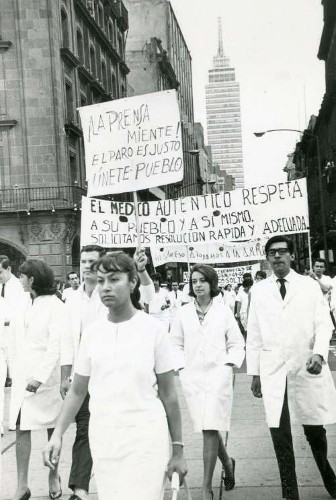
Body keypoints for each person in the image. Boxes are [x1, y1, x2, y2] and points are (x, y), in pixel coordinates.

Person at [43, 251, 187, 500]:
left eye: (114, 279)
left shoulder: (153, 330)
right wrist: (57, 435)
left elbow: (169, 394)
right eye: (100, 281)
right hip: (105, 438)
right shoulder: (92, 333)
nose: (106, 287)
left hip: (147, 437)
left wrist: (178, 449)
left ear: (132, 282)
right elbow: (77, 391)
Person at [61, 245, 155, 500]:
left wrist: (142, 270)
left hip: (113, 379)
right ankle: (79, 488)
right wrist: (64, 374)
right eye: (83, 261)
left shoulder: (113, 293)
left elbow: (148, 297)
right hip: (81, 375)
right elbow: (67, 338)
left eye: (92, 261)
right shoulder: (70, 297)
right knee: (83, 430)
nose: (86, 266)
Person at [247, 235, 336, 500]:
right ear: (267, 258)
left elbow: (323, 324)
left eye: (282, 252)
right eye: (271, 253)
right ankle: (290, 491)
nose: (277, 257)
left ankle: (328, 476)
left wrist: (319, 354)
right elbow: (254, 334)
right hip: (273, 368)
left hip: (304, 365)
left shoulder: (308, 286)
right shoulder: (259, 291)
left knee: (314, 429)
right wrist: (255, 374)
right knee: (279, 431)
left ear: (292, 256)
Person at [170, 264, 245, 500]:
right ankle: (227, 463)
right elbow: (174, 344)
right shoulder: (182, 312)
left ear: (212, 283)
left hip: (218, 377)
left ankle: (206, 487)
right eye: (194, 281)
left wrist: (228, 365)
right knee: (207, 426)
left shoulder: (223, 311)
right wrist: (181, 366)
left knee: (210, 427)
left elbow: (236, 343)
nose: (198, 285)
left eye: (202, 280)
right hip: (192, 377)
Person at [9, 259, 69, 500]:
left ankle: (53, 475)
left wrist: (40, 377)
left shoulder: (56, 306)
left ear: (32, 279)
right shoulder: (23, 302)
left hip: (47, 379)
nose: (19, 279)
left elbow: (55, 346)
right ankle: (22, 485)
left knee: (53, 429)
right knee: (22, 427)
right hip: (23, 378)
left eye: (22, 276)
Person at [0, 256, 29, 436]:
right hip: (1, 339)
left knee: (18, 381)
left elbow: (21, 314)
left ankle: (14, 421)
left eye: (1, 272)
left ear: (9, 269)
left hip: (16, 338)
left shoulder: (20, 288)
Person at [234, 275, 253, 340]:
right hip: (243, 314)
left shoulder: (252, 292)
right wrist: (238, 313)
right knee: (246, 329)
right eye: (249, 286)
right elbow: (238, 303)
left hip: (251, 313)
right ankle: (246, 342)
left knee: (251, 329)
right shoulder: (241, 293)